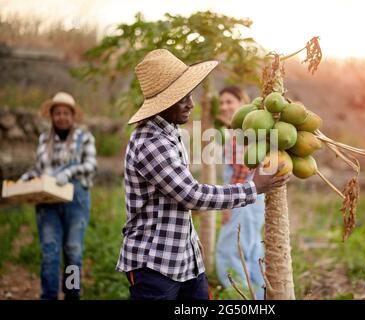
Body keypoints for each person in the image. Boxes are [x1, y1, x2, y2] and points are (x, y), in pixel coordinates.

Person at [116, 49, 292, 300]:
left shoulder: (170, 132)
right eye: (182, 98)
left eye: (189, 95)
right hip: (154, 264)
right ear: (163, 103)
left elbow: (175, 195)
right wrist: (252, 187)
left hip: (185, 258)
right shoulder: (151, 142)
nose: (191, 103)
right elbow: (191, 195)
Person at [19, 92, 97, 300]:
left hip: (76, 200)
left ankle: (72, 295)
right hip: (48, 202)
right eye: (57, 113)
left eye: (66, 113)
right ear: (52, 116)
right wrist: (25, 179)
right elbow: (39, 168)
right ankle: (49, 295)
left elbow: (90, 166)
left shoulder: (85, 138)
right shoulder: (44, 139)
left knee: (73, 252)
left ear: (73, 116)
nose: (62, 117)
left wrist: (68, 172)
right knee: (50, 252)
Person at [215, 86, 266, 299]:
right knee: (251, 250)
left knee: (230, 251)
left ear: (241, 102)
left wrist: (228, 206)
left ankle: (241, 298)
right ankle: (261, 297)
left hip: (243, 198)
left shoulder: (242, 134)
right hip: (251, 198)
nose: (224, 107)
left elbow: (244, 171)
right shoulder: (235, 133)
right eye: (222, 103)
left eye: (229, 101)